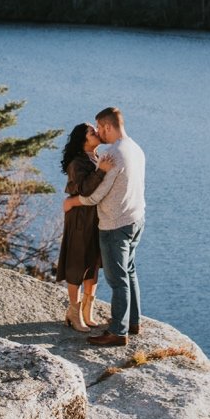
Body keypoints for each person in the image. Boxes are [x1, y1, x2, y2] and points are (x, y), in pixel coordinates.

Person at [64, 106, 144, 347]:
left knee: (117, 279)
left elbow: (95, 196)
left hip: (115, 224)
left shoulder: (114, 154)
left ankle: (118, 332)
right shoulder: (135, 148)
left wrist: (72, 201)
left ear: (108, 126)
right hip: (135, 218)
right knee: (129, 271)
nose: (99, 132)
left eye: (99, 128)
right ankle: (132, 321)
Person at [56, 122, 103, 331]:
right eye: (92, 132)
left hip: (95, 217)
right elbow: (84, 190)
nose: (97, 133)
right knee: (77, 262)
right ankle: (73, 313)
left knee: (93, 261)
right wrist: (102, 171)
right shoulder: (77, 163)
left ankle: (87, 310)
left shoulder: (98, 157)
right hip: (80, 218)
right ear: (83, 140)